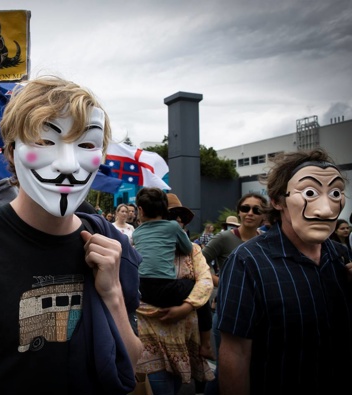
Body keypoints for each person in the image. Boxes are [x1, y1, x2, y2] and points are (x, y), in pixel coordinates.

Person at [0, 76, 143, 394]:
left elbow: (132, 367)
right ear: (10, 152)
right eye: (45, 142)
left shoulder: (109, 245)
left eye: (86, 145)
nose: (67, 164)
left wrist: (113, 295)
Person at [216, 149, 352, 394]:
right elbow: (235, 352)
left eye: (335, 193)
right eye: (310, 192)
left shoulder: (340, 258)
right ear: (278, 201)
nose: (324, 209)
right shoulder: (248, 262)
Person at [136, 193, 215, 394]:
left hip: (185, 340)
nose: (177, 220)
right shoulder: (142, 240)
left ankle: (206, 344)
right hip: (153, 339)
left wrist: (185, 308)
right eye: (172, 216)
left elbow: (205, 283)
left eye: (180, 216)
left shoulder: (193, 250)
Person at [201, 193, 267, 395]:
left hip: (258, 316)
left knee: (250, 369)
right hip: (227, 311)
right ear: (239, 211)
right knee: (225, 371)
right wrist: (222, 282)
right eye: (246, 208)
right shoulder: (224, 238)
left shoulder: (266, 241)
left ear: (264, 216)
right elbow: (197, 264)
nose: (250, 213)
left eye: (257, 210)